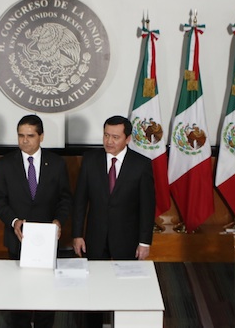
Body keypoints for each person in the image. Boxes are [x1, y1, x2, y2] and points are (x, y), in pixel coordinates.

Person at [72, 115, 156, 326]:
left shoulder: (141, 165)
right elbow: (80, 200)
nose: (109, 141)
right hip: (95, 236)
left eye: (115, 137)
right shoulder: (90, 160)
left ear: (128, 139)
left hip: (127, 239)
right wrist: (77, 234)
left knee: (125, 287)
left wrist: (145, 242)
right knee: (94, 287)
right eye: (106, 135)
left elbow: (147, 207)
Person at [0, 114, 72, 328]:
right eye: (20, 136)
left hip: (47, 240)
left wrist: (58, 220)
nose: (24, 141)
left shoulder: (56, 163)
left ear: (41, 137)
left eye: (30, 136)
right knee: (19, 295)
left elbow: (65, 198)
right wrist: (14, 220)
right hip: (18, 238)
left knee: (46, 294)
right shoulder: (5, 163)